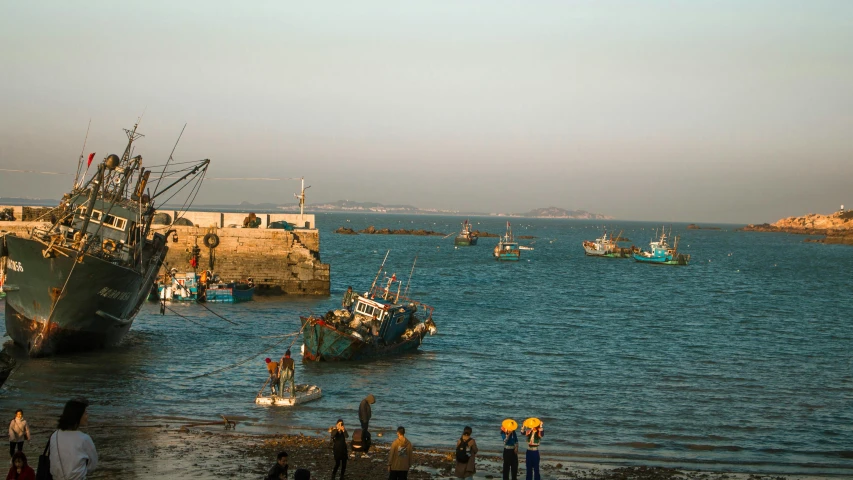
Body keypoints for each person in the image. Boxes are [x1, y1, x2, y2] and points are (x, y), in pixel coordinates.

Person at [50, 398, 98, 480]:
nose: (87, 416)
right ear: (78, 416)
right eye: (85, 413)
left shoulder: (55, 435)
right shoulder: (84, 438)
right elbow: (92, 465)